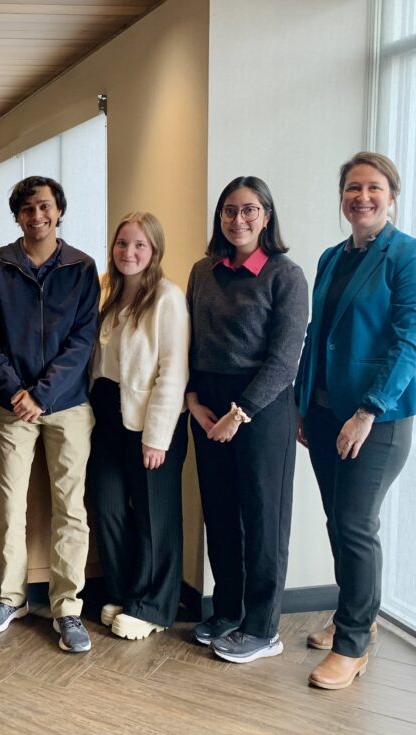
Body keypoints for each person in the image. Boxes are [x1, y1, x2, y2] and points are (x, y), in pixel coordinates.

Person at [296, 152, 416, 690]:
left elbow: (410, 342)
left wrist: (367, 411)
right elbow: (317, 335)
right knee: (339, 522)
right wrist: (303, 404)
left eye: (374, 187)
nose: (362, 197)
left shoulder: (410, 255)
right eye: (353, 188)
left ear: (392, 195)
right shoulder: (332, 257)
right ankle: (357, 614)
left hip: (377, 420)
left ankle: (353, 645)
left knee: (355, 524)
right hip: (324, 413)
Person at [0, 176, 99, 653]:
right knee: (7, 503)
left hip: (67, 405)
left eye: (44, 206)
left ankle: (68, 608)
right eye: (27, 209)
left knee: (71, 507)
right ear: (17, 216)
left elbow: (83, 340)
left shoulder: (82, 267)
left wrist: (42, 394)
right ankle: (10, 598)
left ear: (59, 210)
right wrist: (15, 391)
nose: (37, 215)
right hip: (11, 405)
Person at [186, 176, 308, 663]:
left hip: (262, 407)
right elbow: (193, 341)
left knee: (262, 519)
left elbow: (285, 359)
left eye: (249, 210)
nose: (239, 219)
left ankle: (262, 628)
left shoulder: (285, 275)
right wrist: (193, 399)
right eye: (230, 210)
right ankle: (228, 611)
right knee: (220, 514)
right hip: (208, 403)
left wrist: (241, 413)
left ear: (266, 216)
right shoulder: (203, 271)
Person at [87, 212, 189, 641]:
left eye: (139, 245)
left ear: (154, 251)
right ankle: (124, 591)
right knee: (107, 506)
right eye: (122, 243)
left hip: (150, 421)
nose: (128, 252)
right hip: (108, 415)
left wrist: (157, 437)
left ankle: (153, 606)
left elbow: (173, 371)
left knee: (153, 516)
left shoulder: (167, 298)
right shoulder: (108, 291)